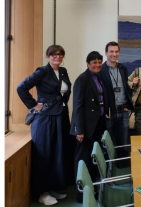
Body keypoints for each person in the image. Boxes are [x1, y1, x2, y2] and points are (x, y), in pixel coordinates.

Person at [17, 45, 72, 205]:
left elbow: (64, 93)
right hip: (45, 120)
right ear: (48, 56)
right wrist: (34, 105)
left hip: (60, 117)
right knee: (45, 155)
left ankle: (53, 188)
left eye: (60, 54)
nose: (57, 57)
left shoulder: (63, 71)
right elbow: (21, 88)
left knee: (58, 154)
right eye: (54, 54)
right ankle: (41, 193)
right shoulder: (42, 71)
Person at [70, 51, 108, 202]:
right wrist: (79, 130)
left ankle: (91, 189)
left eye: (99, 62)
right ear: (88, 64)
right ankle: (81, 194)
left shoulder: (98, 77)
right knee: (82, 160)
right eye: (94, 62)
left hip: (97, 124)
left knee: (92, 160)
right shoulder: (82, 79)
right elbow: (77, 106)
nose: (98, 64)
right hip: (85, 127)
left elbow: (99, 100)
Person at [98, 41, 133, 167]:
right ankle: (107, 171)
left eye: (116, 51)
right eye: (111, 51)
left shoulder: (123, 68)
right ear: (106, 53)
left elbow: (125, 87)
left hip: (123, 111)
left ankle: (123, 169)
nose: (114, 54)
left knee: (123, 143)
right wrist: (103, 110)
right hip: (109, 113)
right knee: (106, 144)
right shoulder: (100, 70)